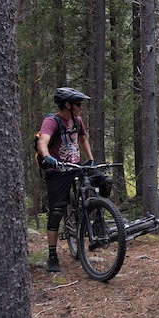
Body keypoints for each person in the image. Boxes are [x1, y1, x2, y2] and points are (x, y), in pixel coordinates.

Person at [36, 87, 96, 272]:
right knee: (56, 211)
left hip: (75, 166)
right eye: (78, 104)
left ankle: (99, 227)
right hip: (57, 170)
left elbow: (83, 140)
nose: (81, 108)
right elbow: (42, 142)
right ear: (68, 105)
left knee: (103, 180)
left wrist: (91, 158)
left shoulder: (77, 120)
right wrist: (47, 157)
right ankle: (52, 256)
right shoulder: (51, 121)